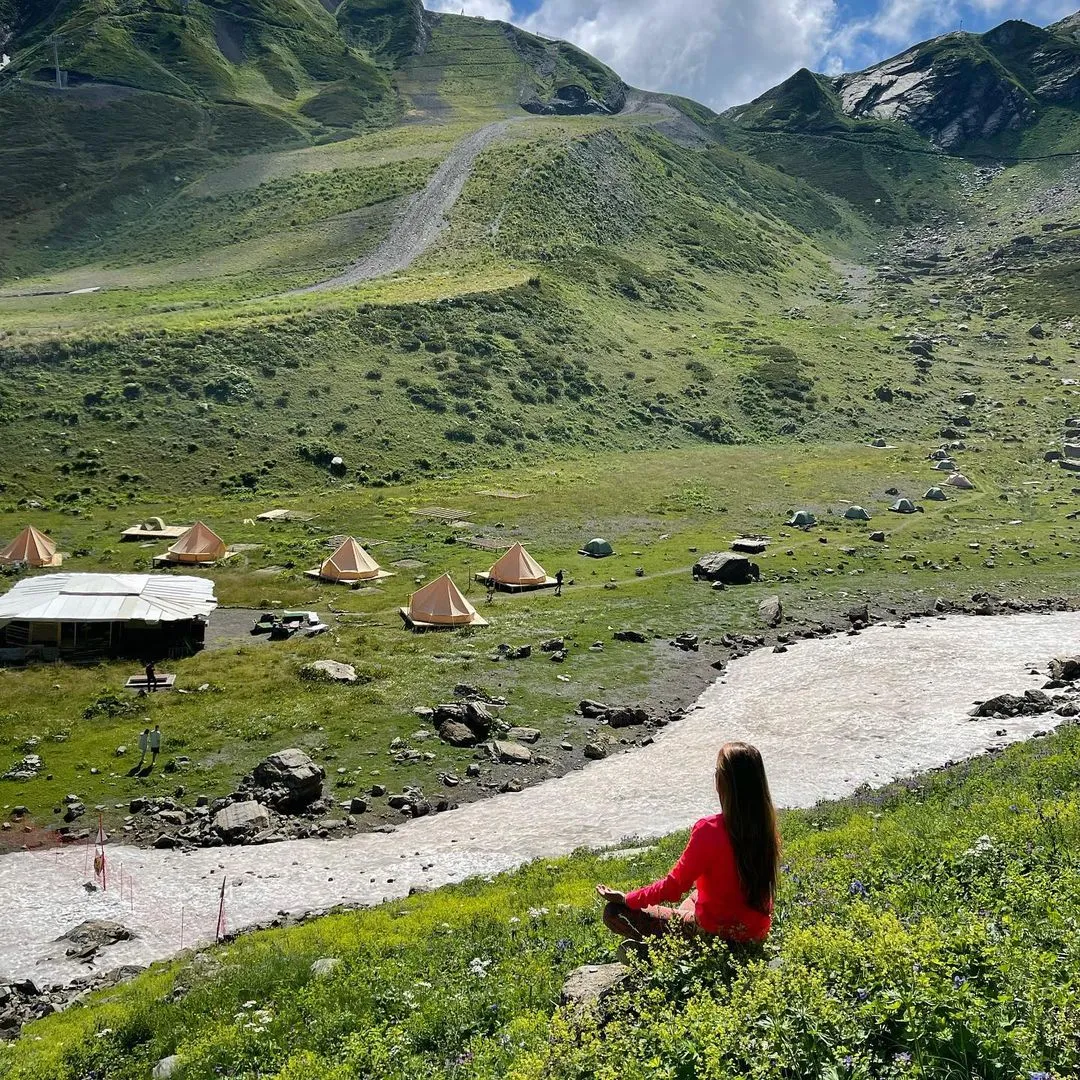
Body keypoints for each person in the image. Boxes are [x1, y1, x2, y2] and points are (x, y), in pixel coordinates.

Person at [597, 742, 780, 946]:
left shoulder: (709, 829)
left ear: (724, 782)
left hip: (715, 936)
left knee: (614, 913)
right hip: (755, 934)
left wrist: (627, 898)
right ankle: (673, 942)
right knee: (695, 897)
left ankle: (660, 953)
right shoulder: (765, 825)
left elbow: (673, 886)